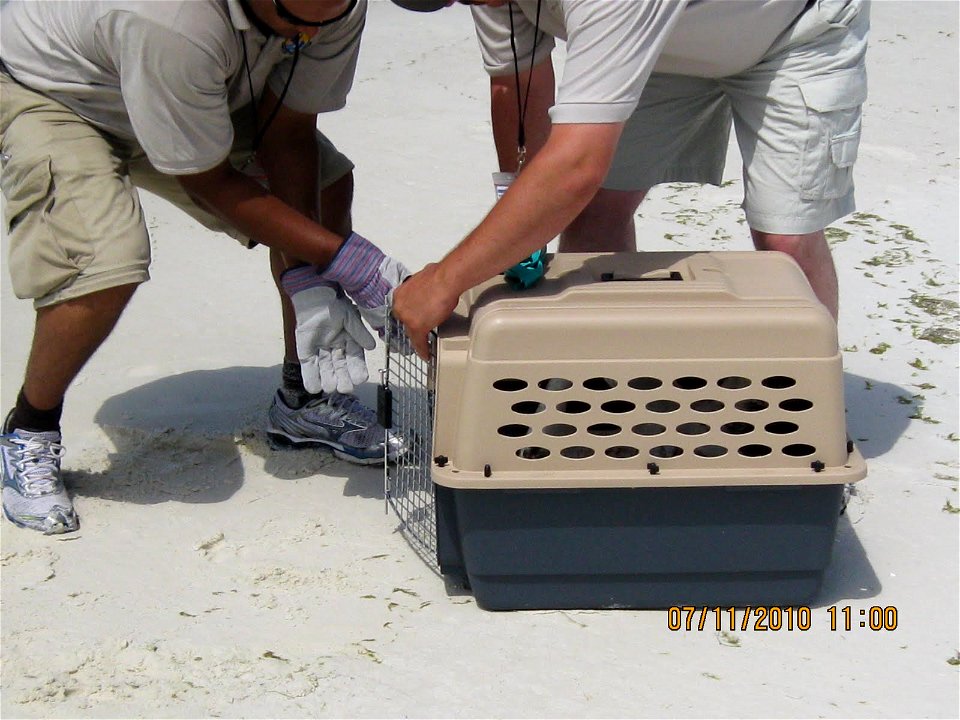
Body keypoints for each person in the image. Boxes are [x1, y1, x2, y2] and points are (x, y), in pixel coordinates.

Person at [0, 0, 408, 535]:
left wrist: (306, 270)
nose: (309, 35)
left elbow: (287, 132)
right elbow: (206, 178)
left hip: (187, 78)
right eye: (294, 23)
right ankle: (29, 428)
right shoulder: (168, 17)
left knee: (327, 188)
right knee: (106, 257)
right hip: (60, 92)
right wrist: (336, 258)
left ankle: (303, 398)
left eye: (323, 22)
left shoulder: (331, 7)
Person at [391, 0, 869, 360]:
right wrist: (518, 219)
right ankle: (601, 386)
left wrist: (444, 279)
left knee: (785, 234)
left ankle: (813, 421)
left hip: (792, 33)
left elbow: (576, 167)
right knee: (598, 210)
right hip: (658, 37)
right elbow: (516, 87)